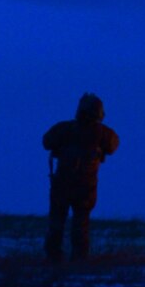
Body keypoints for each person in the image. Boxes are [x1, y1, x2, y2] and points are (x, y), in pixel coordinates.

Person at [43, 92, 119, 262]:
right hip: (85, 187)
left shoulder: (64, 129)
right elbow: (113, 146)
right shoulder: (104, 133)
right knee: (81, 224)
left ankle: (53, 258)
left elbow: (46, 142)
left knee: (57, 222)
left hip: (63, 185)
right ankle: (79, 259)